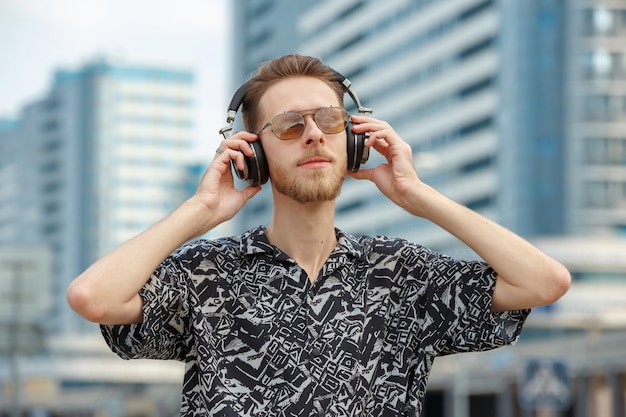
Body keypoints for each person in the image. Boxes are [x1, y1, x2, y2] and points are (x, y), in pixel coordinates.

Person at [67, 54, 571, 417]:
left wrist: (419, 196)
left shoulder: (401, 275)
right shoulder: (206, 275)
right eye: (288, 126)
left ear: (353, 139)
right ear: (253, 153)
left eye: (329, 120)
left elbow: (544, 282)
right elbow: (93, 296)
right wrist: (199, 211)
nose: (313, 134)